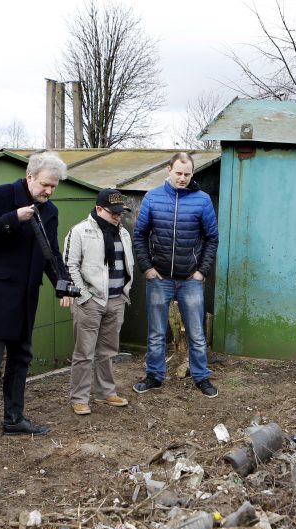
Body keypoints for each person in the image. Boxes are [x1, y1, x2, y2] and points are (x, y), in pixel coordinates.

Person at [0, 152, 70, 435]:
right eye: (45, 184)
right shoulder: (1, 195)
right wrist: (13, 218)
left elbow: (51, 253)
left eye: (54, 186)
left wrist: (63, 284)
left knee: (21, 359)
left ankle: (14, 418)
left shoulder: (50, 211)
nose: (49, 191)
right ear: (30, 177)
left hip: (25, 297)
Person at [132, 152, 219, 397]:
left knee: (196, 333)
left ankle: (201, 377)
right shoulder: (152, 197)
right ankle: (154, 376)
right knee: (157, 332)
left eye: (187, 174)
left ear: (192, 174)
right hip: (159, 278)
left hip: (190, 279)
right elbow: (139, 235)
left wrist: (202, 271)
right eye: (178, 173)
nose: (182, 178)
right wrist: (147, 268)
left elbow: (212, 238)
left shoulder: (202, 200)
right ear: (169, 170)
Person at [62, 189, 134, 415]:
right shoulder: (79, 232)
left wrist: (124, 292)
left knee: (108, 351)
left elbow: (128, 265)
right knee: (84, 353)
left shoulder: (123, 233)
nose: (117, 216)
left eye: (120, 213)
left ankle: (105, 393)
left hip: (116, 300)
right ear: (99, 209)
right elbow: (69, 266)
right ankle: (80, 398)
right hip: (90, 303)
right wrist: (83, 296)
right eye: (113, 213)